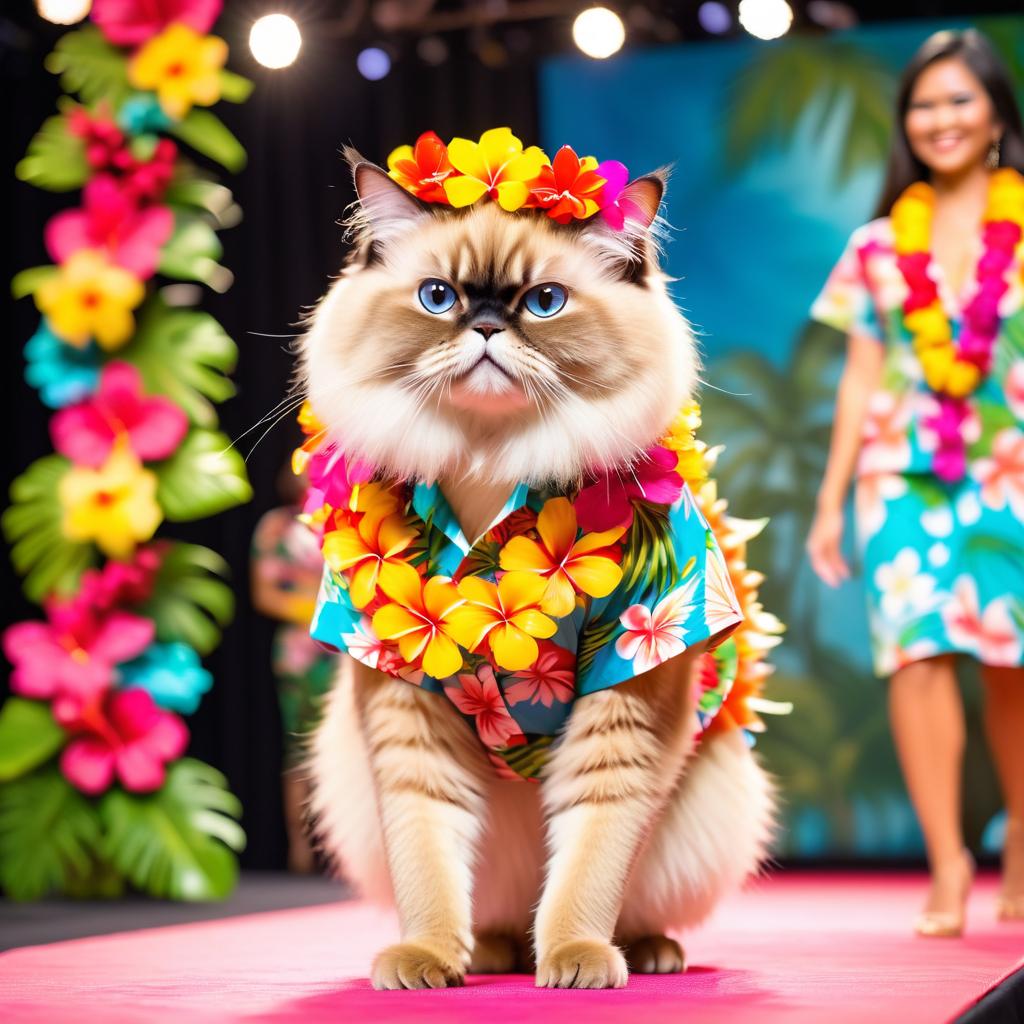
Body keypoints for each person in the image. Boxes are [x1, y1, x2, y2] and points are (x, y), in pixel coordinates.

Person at [808, 28, 1024, 937]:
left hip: (1013, 466)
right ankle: (947, 864)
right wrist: (829, 502)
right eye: (924, 104)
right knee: (916, 660)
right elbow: (860, 377)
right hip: (901, 474)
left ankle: (1023, 853)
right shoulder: (874, 245)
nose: (941, 119)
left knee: (1014, 664)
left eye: (959, 100)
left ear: (997, 115)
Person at [251, 464, 335, 872]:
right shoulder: (276, 526)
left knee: (348, 747)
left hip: (346, 650)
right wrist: (314, 611)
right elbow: (264, 593)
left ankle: (344, 850)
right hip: (300, 652)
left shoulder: (342, 516)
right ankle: (300, 846)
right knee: (300, 748)